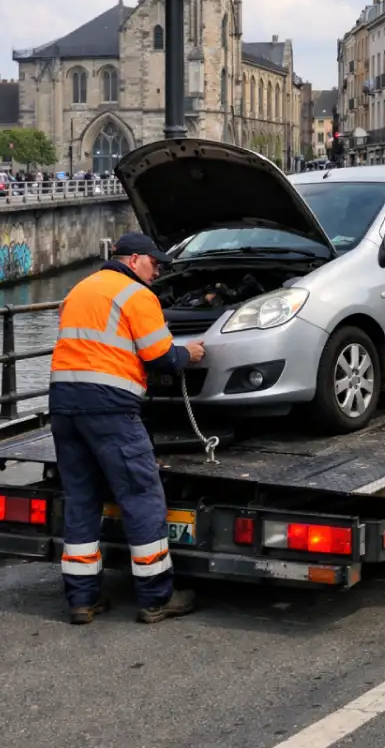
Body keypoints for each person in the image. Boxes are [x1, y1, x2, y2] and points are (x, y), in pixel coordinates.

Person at [49, 232, 206, 625]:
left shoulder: (80, 290)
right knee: (141, 495)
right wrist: (191, 353)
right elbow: (161, 357)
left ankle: (82, 600)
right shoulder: (136, 295)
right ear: (134, 260)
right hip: (109, 409)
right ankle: (156, 597)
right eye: (154, 264)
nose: (157, 273)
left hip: (64, 403)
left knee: (82, 497)